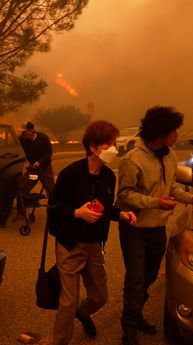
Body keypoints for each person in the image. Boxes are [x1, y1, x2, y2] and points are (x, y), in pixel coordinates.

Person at [116, 106, 193, 345]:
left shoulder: (169, 155)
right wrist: (154, 202)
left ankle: (136, 314)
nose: (178, 136)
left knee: (149, 277)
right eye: (174, 131)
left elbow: (171, 187)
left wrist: (192, 198)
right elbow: (124, 195)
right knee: (136, 279)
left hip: (158, 229)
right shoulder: (133, 159)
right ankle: (128, 326)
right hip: (135, 229)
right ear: (161, 133)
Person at [47, 120, 137, 345]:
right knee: (68, 302)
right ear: (93, 147)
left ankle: (84, 312)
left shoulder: (108, 176)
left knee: (100, 297)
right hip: (69, 245)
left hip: (95, 245)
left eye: (114, 144)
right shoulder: (71, 173)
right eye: (109, 144)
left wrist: (121, 215)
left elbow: (105, 208)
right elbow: (53, 205)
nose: (114, 149)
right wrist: (77, 213)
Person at [15, 121, 55, 219]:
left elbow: (48, 153)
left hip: (45, 168)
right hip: (33, 169)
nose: (22, 134)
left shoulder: (43, 138)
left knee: (51, 190)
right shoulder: (22, 140)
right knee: (22, 188)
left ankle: (54, 211)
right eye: (22, 132)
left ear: (32, 130)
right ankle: (20, 211)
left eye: (24, 132)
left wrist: (40, 162)